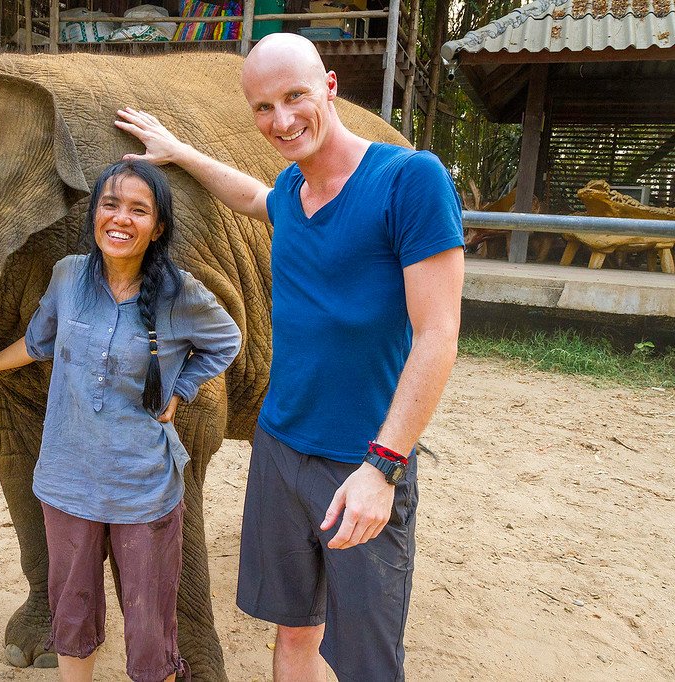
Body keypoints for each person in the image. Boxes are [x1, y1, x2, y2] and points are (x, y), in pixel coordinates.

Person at [114, 33, 464, 681]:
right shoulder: (291, 196)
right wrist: (180, 153)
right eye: (263, 107)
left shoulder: (408, 180)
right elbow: (251, 196)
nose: (280, 120)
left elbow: (437, 336)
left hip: (360, 458)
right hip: (278, 449)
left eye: (295, 97)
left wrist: (381, 468)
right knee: (293, 629)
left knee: (365, 657)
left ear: (328, 86)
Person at [0, 159, 242, 682]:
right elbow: (39, 341)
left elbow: (227, 340)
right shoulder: (67, 276)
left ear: (157, 228)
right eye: (110, 204)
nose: (121, 219)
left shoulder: (180, 293)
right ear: (93, 215)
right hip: (68, 483)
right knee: (73, 614)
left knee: (151, 629)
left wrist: (181, 387)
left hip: (143, 487)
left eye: (138, 209)